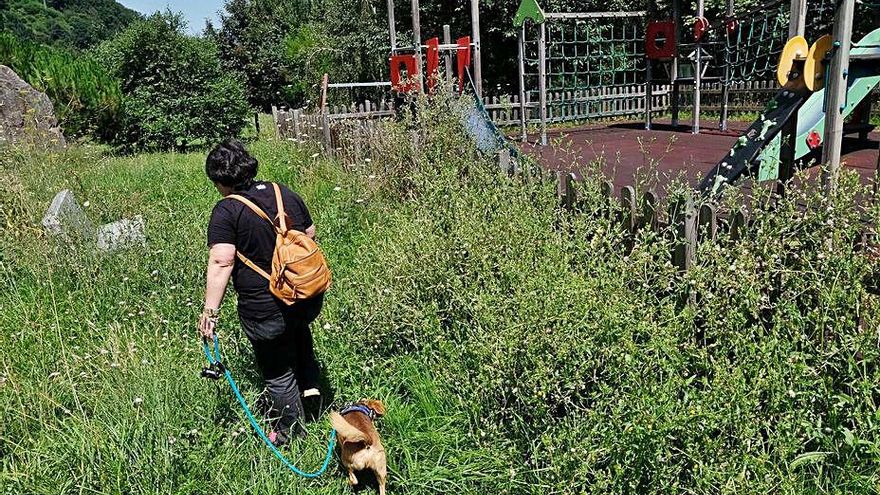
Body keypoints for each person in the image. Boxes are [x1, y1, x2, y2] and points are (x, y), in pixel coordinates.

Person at [198, 139, 323, 446]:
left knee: (277, 369)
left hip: (264, 306)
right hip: (304, 294)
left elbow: (221, 260)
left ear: (219, 180)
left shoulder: (227, 210)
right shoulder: (283, 192)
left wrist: (209, 312)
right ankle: (313, 393)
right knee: (298, 333)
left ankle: (290, 432)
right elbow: (309, 234)